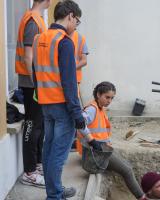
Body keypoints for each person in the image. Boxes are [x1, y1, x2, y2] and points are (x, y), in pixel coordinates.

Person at [32, 0, 85, 199]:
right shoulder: (64, 42)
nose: (75, 26)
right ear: (70, 15)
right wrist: (77, 114)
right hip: (63, 106)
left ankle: (55, 191)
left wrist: (41, 97)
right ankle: (54, 195)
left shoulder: (40, 38)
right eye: (77, 21)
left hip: (45, 103)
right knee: (59, 154)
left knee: (48, 150)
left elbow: (35, 73)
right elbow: (69, 83)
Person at [76, 81, 145, 200]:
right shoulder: (92, 109)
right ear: (98, 94)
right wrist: (92, 140)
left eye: (111, 98)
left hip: (101, 149)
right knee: (127, 170)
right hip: (96, 152)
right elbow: (79, 123)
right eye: (107, 97)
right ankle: (142, 197)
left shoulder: (100, 108)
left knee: (127, 165)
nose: (109, 101)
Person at [15, 0, 50, 187]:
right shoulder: (32, 21)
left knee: (39, 125)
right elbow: (28, 56)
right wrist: (36, 82)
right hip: (32, 84)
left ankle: (36, 165)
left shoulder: (36, 19)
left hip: (35, 82)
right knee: (32, 126)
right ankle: (29, 172)